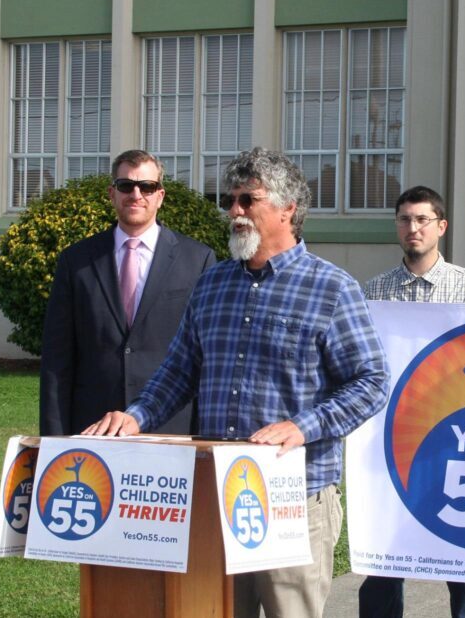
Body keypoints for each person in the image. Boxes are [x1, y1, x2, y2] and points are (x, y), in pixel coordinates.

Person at [83, 147, 389, 618]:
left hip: (295, 498)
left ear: (288, 209)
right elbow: (179, 371)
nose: (235, 212)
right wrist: (135, 415)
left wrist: (302, 426)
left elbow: (370, 382)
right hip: (218, 497)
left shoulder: (332, 287)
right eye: (231, 201)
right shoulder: (212, 284)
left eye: (249, 200)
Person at [360, 185, 465, 618]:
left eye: (422, 219)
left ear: (441, 226)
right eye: (404, 219)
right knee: (383, 556)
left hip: (456, 440)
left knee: (464, 557)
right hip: (392, 441)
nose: (412, 227)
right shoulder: (373, 292)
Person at [39, 149, 215, 436]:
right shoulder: (76, 261)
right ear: (112, 193)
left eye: (147, 186)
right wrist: (53, 440)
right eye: (126, 186)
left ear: (160, 196)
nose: (136, 194)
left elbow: (205, 359)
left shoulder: (197, 260)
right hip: (92, 427)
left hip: (169, 428)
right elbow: (57, 359)